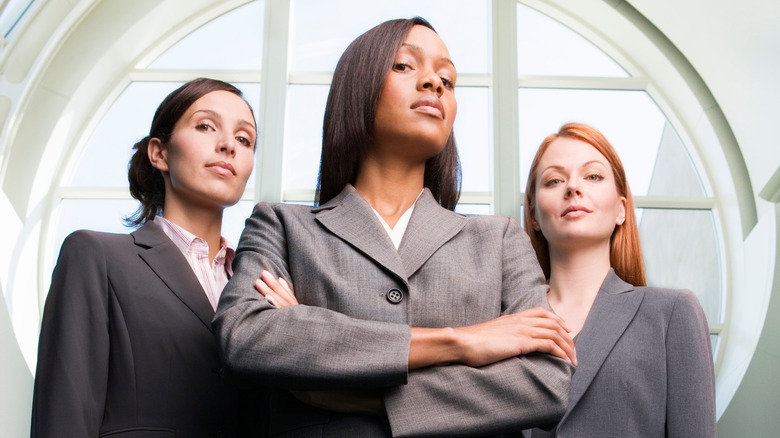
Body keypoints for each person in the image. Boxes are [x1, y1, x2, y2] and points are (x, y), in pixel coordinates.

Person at [214, 17, 574, 438]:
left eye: (447, 78)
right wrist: (461, 342)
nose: (434, 84)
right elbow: (247, 335)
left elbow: (545, 383)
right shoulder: (282, 226)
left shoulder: (499, 239)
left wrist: (350, 387)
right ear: (359, 87)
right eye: (405, 66)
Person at [31, 78, 257, 437]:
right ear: (160, 153)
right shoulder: (97, 257)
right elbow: (64, 415)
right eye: (205, 126)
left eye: (245, 140)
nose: (229, 145)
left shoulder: (258, 287)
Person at [522, 123, 716, 437]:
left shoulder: (671, 313)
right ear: (533, 215)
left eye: (593, 176)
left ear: (621, 210)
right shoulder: (506, 321)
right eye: (554, 180)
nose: (573, 187)